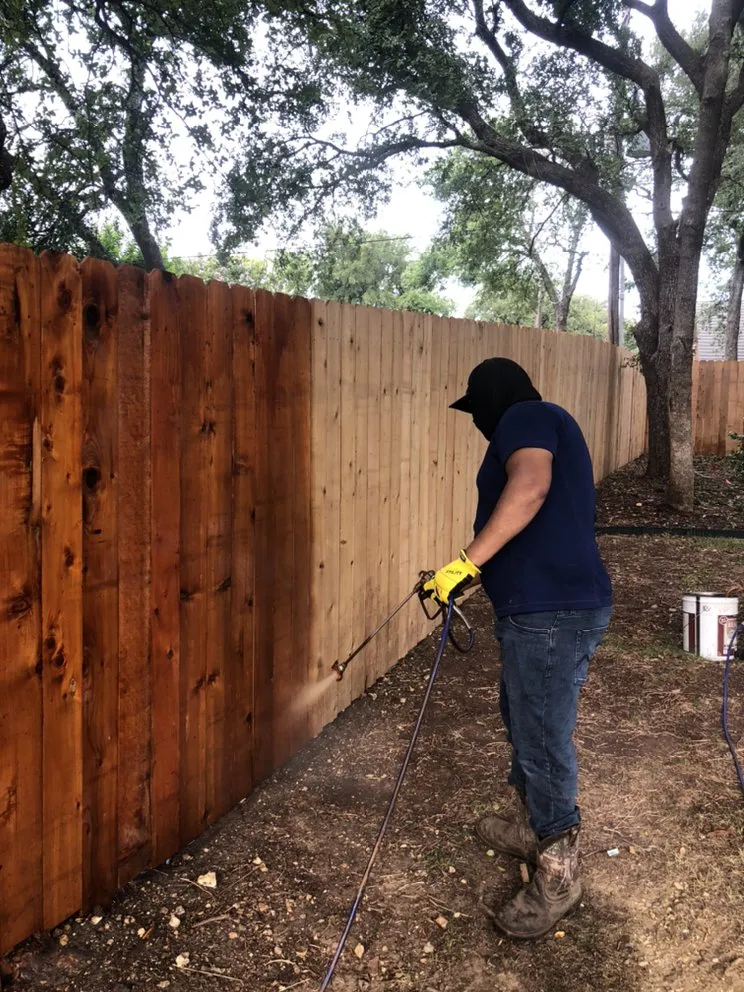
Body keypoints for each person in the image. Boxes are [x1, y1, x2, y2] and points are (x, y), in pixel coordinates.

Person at [424, 356, 612, 940]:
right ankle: (536, 828)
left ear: (493, 400)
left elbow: (530, 487)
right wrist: (474, 572)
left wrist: (465, 563)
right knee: (524, 719)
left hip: (551, 611)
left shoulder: (526, 415)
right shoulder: (543, 420)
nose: (478, 421)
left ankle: (559, 875)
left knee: (542, 736)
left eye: (477, 410)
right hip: (540, 609)